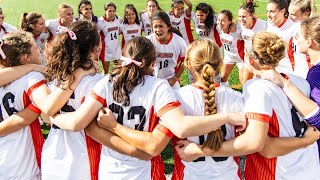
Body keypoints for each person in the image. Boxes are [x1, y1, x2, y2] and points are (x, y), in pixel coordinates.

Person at [47, 36, 245, 179]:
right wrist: (226, 118)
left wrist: (113, 127)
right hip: (148, 170)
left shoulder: (107, 82)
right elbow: (154, 145)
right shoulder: (161, 88)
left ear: (189, 66)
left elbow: (89, 126)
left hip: (111, 170)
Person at [175, 32, 320, 180]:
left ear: (249, 59)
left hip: (276, 171)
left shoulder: (255, 88)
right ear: (219, 63)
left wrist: (201, 150)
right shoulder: (300, 83)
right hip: (308, 165)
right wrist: (306, 141)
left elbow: (257, 143)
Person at [0, 31, 89, 180]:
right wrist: (76, 77)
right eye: (36, 48)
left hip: (5, 161)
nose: (40, 50)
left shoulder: (5, 77)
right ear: (26, 58)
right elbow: (47, 108)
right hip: (25, 166)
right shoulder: (32, 78)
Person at [171, 39, 243, 180]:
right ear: (220, 63)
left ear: (188, 65)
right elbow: (251, 141)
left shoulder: (176, 97)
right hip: (229, 175)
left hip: (188, 175)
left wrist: (199, 150)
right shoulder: (236, 97)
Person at [258, 16, 320, 159]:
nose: (296, 39)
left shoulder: (317, 73)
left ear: (310, 42)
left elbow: (318, 118)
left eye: (299, 36)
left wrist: (284, 83)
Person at [147, 11, 187, 89]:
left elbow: (185, 61)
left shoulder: (179, 41)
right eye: (155, 26)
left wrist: (175, 78)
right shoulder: (148, 41)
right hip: (152, 80)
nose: (158, 30)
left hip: (171, 80)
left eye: (161, 26)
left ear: (168, 27)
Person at [238, 0, 267, 82]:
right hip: (248, 58)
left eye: (244, 16)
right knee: (245, 82)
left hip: (260, 60)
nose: (241, 19)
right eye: (239, 16)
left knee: (258, 82)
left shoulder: (263, 25)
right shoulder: (241, 25)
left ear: (252, 15)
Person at [287, 0, 316, 78]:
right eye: (289, 13)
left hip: (310, 75)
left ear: (305, 13)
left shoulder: (312, 31)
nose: (289, 17)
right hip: (298, 73)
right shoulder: (297, 26)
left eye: (293, 14)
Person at [266, 0, 297, 74]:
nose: (268, 15)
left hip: (289, 71)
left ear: (282, 11)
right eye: (267, 11)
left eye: (272, 12)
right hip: (273, 68)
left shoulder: (294, 27)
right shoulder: (270, 23)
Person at [217, 10, 244, 85]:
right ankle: (226, 94)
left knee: (244, 81)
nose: (219, 22)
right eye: (219, 20)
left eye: (223, 21)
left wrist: (234, 24)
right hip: (229, 57)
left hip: (241, 59)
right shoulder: (218, 28)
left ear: (229, 21)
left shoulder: (237, 31)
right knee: (223, 78)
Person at [98, 2, 121, 74]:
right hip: (106, 51)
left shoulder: (118, 19)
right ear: (105, 11)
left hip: (116, 49)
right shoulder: (100, 22)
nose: (112, 13)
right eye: (109, 11)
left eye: (113, 11)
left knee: (119, 70)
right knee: (105, 72)